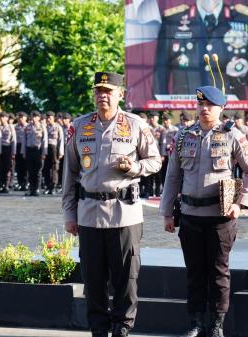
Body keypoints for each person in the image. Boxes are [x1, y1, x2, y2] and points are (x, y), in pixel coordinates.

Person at [62, 72, 162, 337]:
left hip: (124, 215)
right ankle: (98, 329)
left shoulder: (135, 124)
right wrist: (69, 214)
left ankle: (122, 327)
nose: (102, 96)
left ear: (121, 94)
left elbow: (155, 161)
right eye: (98, 91)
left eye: (108, 91)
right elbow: (69, 174)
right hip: (89, 214)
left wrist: (134, 168)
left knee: (125, 279)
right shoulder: (80, 126)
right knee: (93, 280)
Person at [161, 86, 248, 337]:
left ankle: (216, 324)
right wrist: (167, 213)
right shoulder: (183, 136)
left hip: (220, 218)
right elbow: (173, 175)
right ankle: (196, 323)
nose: (204, 109)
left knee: (218, 272)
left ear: (221, 108)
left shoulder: (233, 136)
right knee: (194, 272)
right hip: (190, 216)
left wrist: (240, 203)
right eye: (200, 104)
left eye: (210, 105)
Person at [153, 0, 248, 100]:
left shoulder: (245, 19)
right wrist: (161, 109)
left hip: (229, 107)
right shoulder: (172, 21)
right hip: (186, 107)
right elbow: (160, 71)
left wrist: (242, 74)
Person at [21, 110, 47, 196]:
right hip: (29, 150)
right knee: (30, 171)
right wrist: (23, 152)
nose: (33, 118)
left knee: (38, 171)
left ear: (39, 118)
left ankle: (36, 189)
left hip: (38, 151)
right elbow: (24, 140)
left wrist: (44, 153)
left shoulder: (42, 127)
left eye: (35, 116)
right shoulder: (27, 127)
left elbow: (44, 141)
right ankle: (31, 189)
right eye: (32, 116)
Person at [43, 111, 64, 195]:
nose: (48, 119)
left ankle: (53, 187)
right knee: (46, 169)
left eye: (50, 118)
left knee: (54, 168)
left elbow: (61, 140)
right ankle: (48, 186)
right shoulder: (44, 127)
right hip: (45, 149)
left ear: (53, 118)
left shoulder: (58, 127)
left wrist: (61, 152)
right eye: (47, 118)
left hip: (54, 149)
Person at [0, 112, 16, 193]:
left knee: (7, 168)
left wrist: (13, 152)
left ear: (7, 118)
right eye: (1, 117)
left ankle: (6, 185)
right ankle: (0, 185)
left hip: (7, 149)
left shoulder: (10, 127)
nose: (2, 118)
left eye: (4, 117)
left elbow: (13, 140)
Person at [159, 112, 178, 186]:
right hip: (163, 154)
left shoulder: (175, 129)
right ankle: (163, 187)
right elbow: (159, 142)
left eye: (167, 120)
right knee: (163, 172)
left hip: (171, 153)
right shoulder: (161, 129)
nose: (165, 121)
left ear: (170, 120)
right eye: (164, 120)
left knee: (171, 171)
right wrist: (161, 154)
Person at [14, 111, 29, 191]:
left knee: (26, 166)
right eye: (19, 117)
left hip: (26, 147)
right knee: (19, 167)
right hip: (18, 146)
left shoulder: (28, 126)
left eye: (22, 117)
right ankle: (20, 183)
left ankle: (26, 183)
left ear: (25, 118)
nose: (20, 119)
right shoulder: (15, 127)